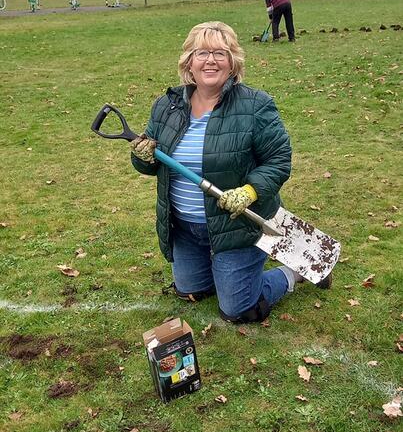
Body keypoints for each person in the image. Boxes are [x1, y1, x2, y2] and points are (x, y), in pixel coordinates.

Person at [130, 22, 325, 325]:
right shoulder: (166, 106)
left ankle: (292, 273)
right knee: (191, 291)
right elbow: (153, 162)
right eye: (202, 53)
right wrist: (141, 158)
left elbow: (279, 160)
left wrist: (249, 192)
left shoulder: (255, 105)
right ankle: (217, 270)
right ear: (189, 62)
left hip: (236, 227)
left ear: (232, 62)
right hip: (185, 228)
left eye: (220, 53)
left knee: (239, 310)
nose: (210, 61)